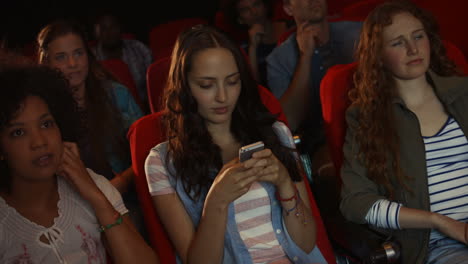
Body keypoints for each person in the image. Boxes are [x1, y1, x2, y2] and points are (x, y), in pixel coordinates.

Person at [144, 25, 326, 263]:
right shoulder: (161, 163)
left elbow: (307, 242)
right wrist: (217, 201)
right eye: (207, 85)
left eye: (232, 82)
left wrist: (285, 184)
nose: (222, 97)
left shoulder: (276, 134)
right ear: (185, 87)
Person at [340, 1, 468, 264]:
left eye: (418, 36)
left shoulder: (464, 92)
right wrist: (439, 222)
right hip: (438, 245)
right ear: (378, 55)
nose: (413, 49)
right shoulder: (365, 118)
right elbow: (356, 202)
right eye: (398, 43)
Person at [0, 60, 158, 263]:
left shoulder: (92, 184)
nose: (39, 142)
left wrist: (95, 197)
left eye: (46, 124)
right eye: (18, 132)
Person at [37, 20, 145, 236]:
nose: (73, 63)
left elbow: (148, 154)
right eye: (61, 57)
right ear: (47, 63)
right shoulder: (40, 112)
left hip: (122, 198)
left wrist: (121, 183)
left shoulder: (116, 95)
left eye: (78, 53)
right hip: (71, 208)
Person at [266, 0, 361, 158]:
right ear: (288, 8)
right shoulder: (278, 60)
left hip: (368, 128)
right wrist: (305, 57)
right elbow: (289, 122)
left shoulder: (359, 33)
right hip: (319, 144)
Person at [221, 0, 289, 86]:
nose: (254, 12)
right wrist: (253, 48)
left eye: (257, 4)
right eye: (245, 10)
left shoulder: (291, 28)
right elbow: (254, 87)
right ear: (240, 19)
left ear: (265, 7)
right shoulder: (242, 50)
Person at [92, 13, 153, 108]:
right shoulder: (91, 58)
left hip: (142, 106)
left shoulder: (139, 48)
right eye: (104, 28)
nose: (109, 32)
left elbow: (153, 82)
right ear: (97, 33)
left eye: (113, 27)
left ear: (120, 28)